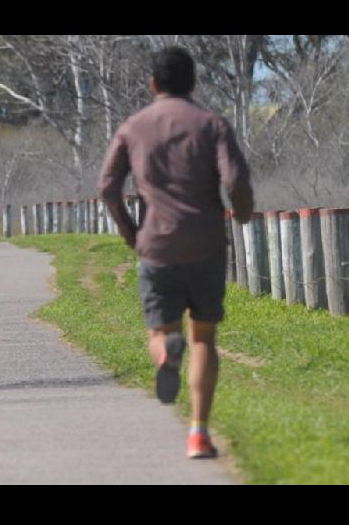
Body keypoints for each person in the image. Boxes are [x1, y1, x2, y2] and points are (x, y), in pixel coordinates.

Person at [98, 47, 253, 459]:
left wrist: (130, 232)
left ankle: (166, 354)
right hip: (205, 245)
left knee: (160, 333)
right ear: (193, 82)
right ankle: (198, 434)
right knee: (203, 338)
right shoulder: (212, 125)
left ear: (153, 84)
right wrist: (242, 213)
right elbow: (235, 180)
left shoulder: (133, 127)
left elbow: (107, 187)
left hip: (157, 246)